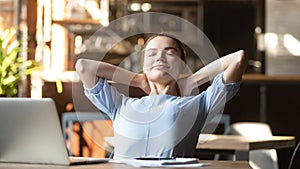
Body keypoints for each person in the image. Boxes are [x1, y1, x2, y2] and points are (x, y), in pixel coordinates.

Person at [75, 34, 248, 159]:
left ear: (182, 65)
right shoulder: (120, 104)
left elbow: (238, 59)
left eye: (170, 53)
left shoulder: (197, 105)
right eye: (151, 54)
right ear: (143, 65)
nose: (160, 58)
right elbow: (84, 67)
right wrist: (137, 80)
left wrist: (191, 81)